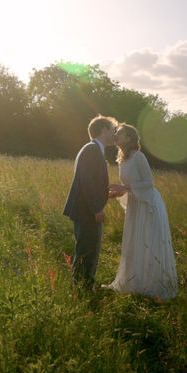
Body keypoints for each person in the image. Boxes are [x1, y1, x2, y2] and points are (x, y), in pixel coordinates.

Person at [106, 124, 178, 300]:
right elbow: (131, 186)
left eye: (120, 134)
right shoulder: (122, 158)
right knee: (134, 240)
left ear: (129, 138)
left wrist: (124, 187)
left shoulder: (139, 157)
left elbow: (149, 183)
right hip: (135, 203)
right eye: (115, 133)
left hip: (148, 204)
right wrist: (119, 192)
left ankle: (152, 283)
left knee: (147, 240)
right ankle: (134, 281)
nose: (115, 136)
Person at [63, 115, 118, 291]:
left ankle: (84, 285)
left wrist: (106, 193)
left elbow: (91, 181)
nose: (114, 134)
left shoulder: (94, 149)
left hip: (86, 207)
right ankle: (82, 288)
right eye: (112, 130)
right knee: (87, 250)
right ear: (103, 131)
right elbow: (86, 181)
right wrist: (96, 208)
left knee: (89, 248)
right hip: (86, 209)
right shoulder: (91, 149)